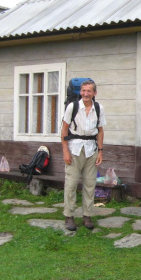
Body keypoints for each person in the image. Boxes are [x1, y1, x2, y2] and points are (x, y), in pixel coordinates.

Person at [61, 80, 106, 231]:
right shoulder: (72, 107)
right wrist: (65, 151)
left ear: (94, 93)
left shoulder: (98, 109)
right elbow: (64, 130)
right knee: (71, 184)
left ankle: (87, 215)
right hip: (74, 150)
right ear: (80, 92)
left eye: (89, 91)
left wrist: (100, 150)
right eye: (83, 91)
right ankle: (69, 215)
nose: (86, 94)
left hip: (91, 150)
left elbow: (100, 131)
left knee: (89, 184)